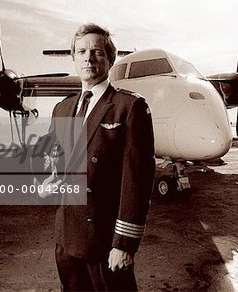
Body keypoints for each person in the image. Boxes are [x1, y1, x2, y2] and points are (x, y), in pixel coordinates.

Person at [46, 23, 155, 291]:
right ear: (73, 57)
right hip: (67, 238)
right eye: (81, 51)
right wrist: (46, 180)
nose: (88, 57)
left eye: (97, 51)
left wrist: (124, 244)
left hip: (105, 241)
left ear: (109, 58)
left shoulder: (129, 107)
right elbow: (53, 159)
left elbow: (137, 180)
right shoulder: (62, 108)